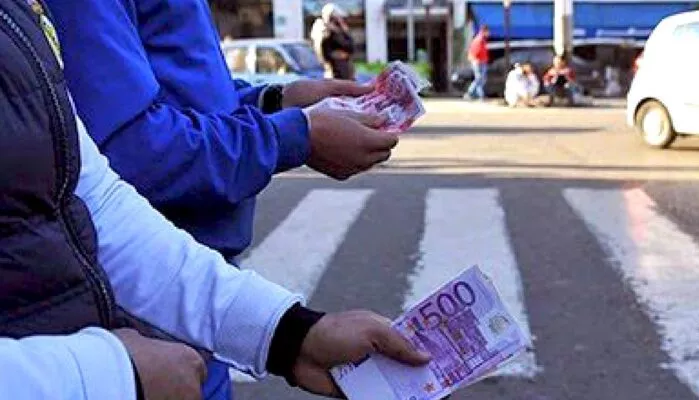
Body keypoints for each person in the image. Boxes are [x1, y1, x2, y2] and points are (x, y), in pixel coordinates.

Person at [0, 1, 429, 398]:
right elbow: (132, 147)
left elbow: (92, 198)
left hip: (172, 322)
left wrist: (289, 336)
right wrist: (105, 374)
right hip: (130, 344)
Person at [314, 3, 356, 80]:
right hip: (334, 72)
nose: (338, 20)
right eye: (334, 18)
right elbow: (323, 53)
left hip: (346, 71)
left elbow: (351, 47)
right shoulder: (323, 31)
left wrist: (344, 31)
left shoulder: (341, 31)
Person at [464, 25, 490, 101]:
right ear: (484, 31)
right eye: (488, 32)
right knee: (479, 78)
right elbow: (474, 51)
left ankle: (476, 95)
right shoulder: (479, 40)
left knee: (481, 79)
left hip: (481, 61)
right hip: (478, 61)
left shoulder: (482, 40)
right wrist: (475, 59)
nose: (489, 33)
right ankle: (472, 93)